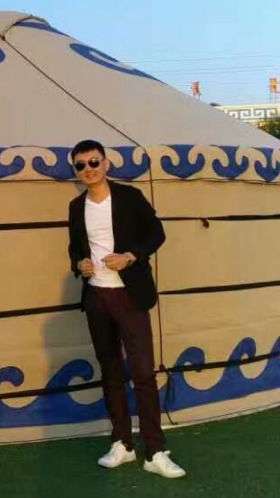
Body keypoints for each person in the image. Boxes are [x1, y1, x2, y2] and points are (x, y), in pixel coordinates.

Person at [67, 139, 185, 479]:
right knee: (111, 371)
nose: (88, 169)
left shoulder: (129, 197)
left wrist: (131, 256)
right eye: (81, 165)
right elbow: (74, 248)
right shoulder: (76, 207)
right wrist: (80, 264)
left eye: (93, 162)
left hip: (130, 295)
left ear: (106, 164)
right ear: (76, 170)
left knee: (143, 373)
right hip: (96, 296)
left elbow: (157, 233)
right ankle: (122, 442)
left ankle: (155, 451)